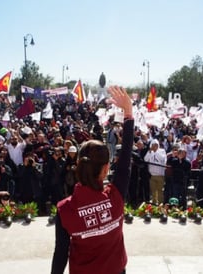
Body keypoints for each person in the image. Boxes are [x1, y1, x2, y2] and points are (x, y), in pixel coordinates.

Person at [51, 86, 133, 274]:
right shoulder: (116, 196)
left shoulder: (65, 209)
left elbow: (61, 253)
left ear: (79, 163)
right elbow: (126, 159)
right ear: (106, 169)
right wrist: (128, 114)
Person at [144, 139, 167, 205]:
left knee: (160, 190)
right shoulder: (150, 152)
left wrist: (156, 151)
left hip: (160, 175)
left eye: (156, 145)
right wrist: (150, 152)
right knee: (153, 191)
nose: (155, 146)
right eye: (153, 145)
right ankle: (154, 203)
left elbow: (162, 159)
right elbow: (145, 159)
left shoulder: (162, 151)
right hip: (152, 175)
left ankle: (160, 203)